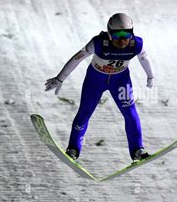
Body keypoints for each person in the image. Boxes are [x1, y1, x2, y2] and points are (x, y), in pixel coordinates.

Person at [45, 13, 154, 161]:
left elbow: (144, 58)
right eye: (118, 35)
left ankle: (137, 150)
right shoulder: (98, 42)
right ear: (109, 34)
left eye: (127, 35)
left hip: (120, 81)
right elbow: (77, 58)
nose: (123, 40)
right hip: (95, 81)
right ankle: (73, 149)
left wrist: (150, 76)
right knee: (84, 113)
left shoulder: (137, 44)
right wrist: (60, 78)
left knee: (130, 113)